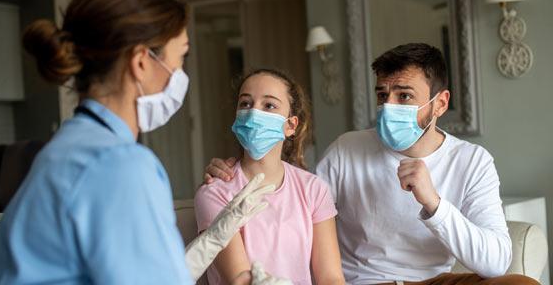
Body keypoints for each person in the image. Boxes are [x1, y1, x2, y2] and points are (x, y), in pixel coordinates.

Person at [0, 0, 275, 284]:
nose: (181, 74)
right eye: (180, 57)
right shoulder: (120, 165)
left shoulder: (67, 147)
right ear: (141, 62)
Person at [203, 44, 539, 284]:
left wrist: (434, 205)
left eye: (404, 96)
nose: (389, 106)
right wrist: (234, 174)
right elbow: (297, 206)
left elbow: (495, 262)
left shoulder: (473, 161)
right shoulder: (348, 150)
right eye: (383, 95)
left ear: (441, 103)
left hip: (434, 280)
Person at [194, 69, 345, 285]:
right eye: (245, 103)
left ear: (290, 125)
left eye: (269, 105)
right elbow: (241, 280)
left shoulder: (313, 189)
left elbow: (331, 278)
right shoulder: (214, 192)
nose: (254, 112)